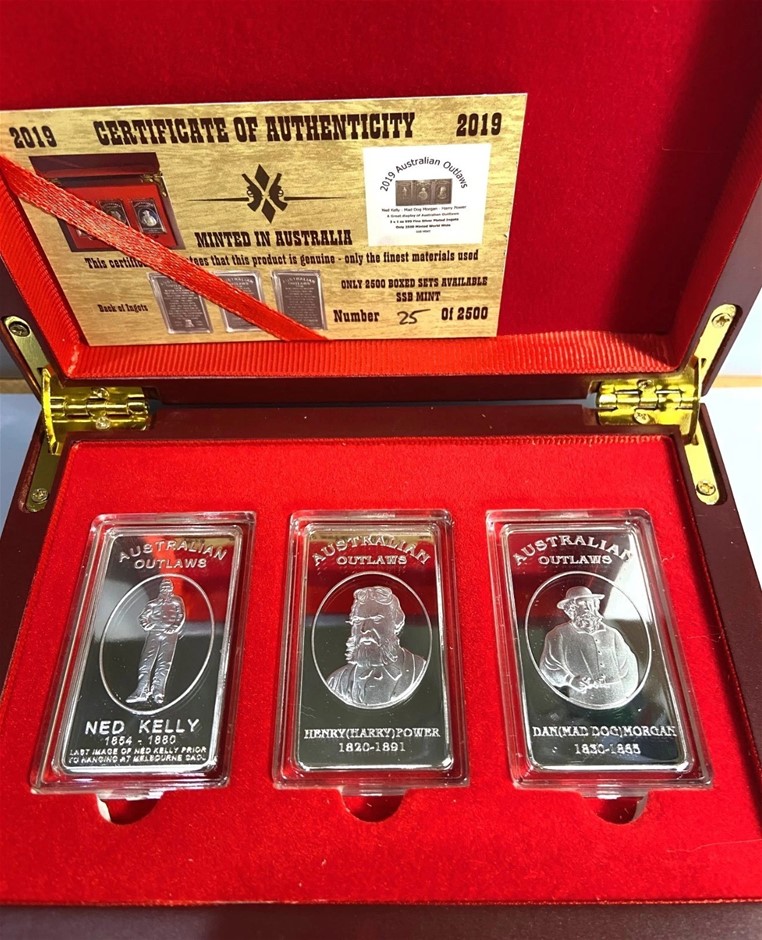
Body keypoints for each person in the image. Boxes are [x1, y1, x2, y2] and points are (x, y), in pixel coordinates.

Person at [538, 586, 638, 708]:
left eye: (589, 602)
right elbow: (549, 667)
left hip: (618, 698)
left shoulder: (612, 633)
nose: (586, 607)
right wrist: (570, 681)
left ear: (595, 605)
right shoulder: (558, 635)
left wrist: (626, 693)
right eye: (580, 604)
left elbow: (628, 664)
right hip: (582, 702)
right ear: (571, 609)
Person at [327, 586, 426, 708]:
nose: (364, 629)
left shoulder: (420, 669)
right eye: (358, 621)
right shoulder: (336, 682)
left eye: (376, 619)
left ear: (397, 622)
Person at [126, 579, 186, 705]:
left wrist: (174, 627)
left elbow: (180, 615)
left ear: (171, 588)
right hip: (154, 633)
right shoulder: (152, 603)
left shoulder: (177, 601)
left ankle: (158, 692)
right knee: (146, 661)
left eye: (168, 587)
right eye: (163, 587)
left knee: (164, 663)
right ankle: (141, 691)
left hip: (170, 634)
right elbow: (143, 617)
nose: (165, 589)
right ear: (160, 589)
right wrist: (146, 624)